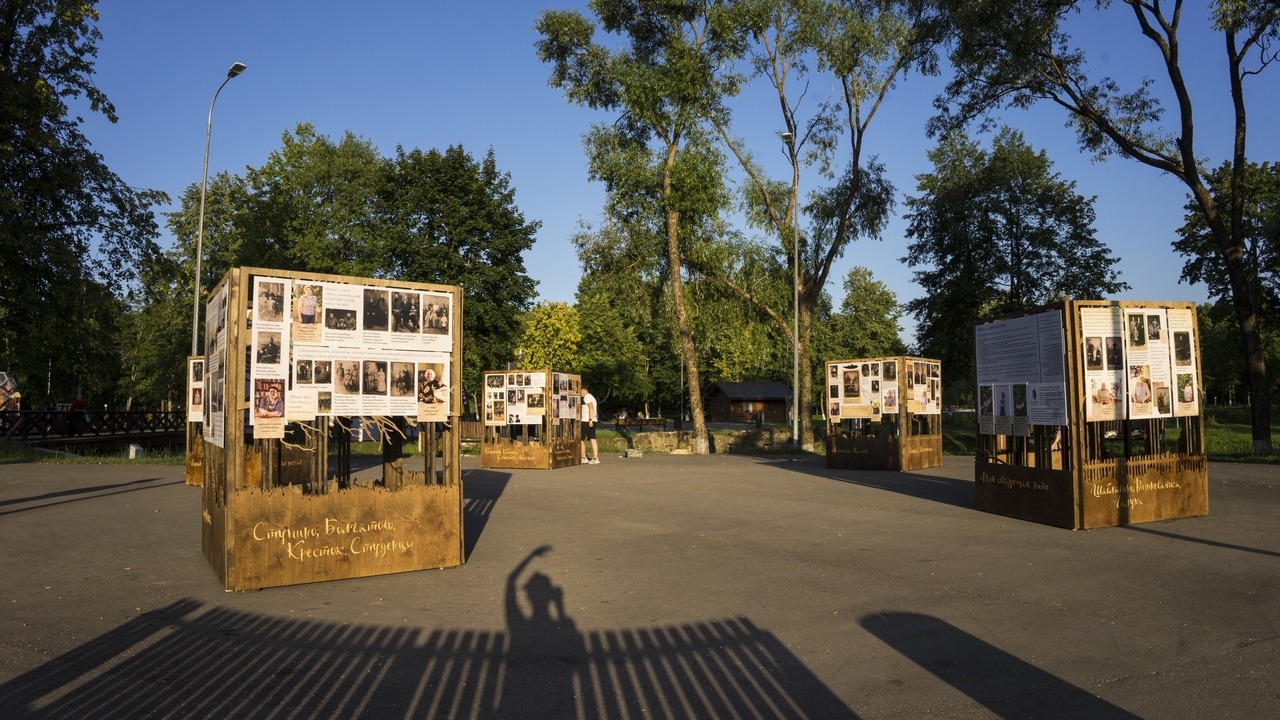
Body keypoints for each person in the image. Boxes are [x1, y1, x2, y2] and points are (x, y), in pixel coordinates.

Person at [579, 385, 599, 464]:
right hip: (594, 420)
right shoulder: (592, 397)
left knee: (580, 439)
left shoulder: (586, 397)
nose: (580, 394)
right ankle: (595, 458)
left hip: (586, 420)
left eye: (580, 392)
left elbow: (591, 408)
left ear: (583, 390)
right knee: (592, 438)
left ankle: (583, 457)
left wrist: (590, 419)